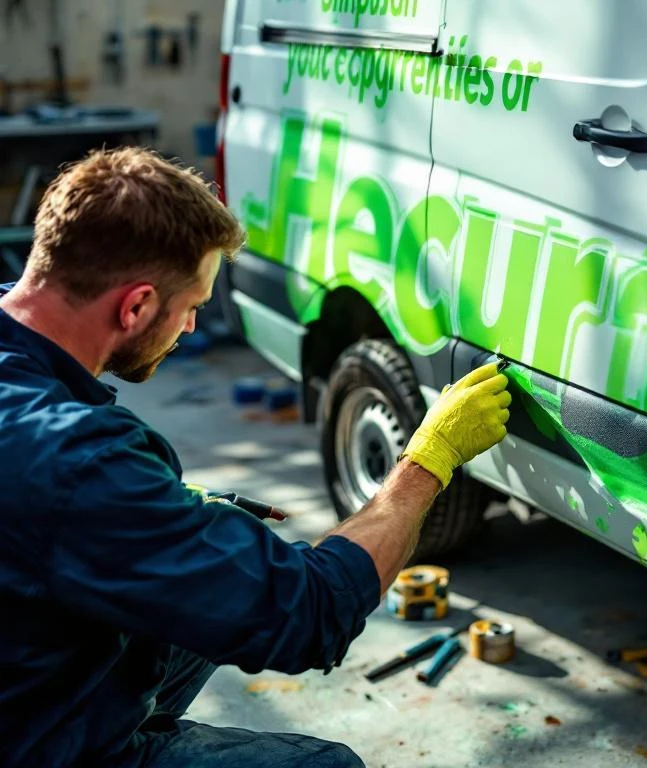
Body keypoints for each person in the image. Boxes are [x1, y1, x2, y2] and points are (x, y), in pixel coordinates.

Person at [0, 147, 512, 768]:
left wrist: (163, 516)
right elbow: (310, 614)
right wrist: (428, 459)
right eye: (191, 308)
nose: (191, 328)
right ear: (134, 306)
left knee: (200, 589)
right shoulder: (76, 460)